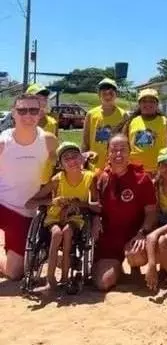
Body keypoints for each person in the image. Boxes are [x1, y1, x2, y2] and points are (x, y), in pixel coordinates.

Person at [26, 142, 99, 291]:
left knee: (66, 232)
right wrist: (51, 201)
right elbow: (30, 203)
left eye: (75, 156)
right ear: (61, 164)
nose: (72, 161)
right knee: (57, 233)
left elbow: (95, 206)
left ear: (82, 159)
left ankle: (65, 278)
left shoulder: (90, 178)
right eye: (66, 158)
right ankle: (50, 279)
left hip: (75, 218)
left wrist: (78, 204)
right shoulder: (57, 179)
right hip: (54, 217)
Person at [0, 93, 58, 280]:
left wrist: (42, 197)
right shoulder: (3, 143)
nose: (28, 115)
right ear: (13, 114)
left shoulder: (49, 141)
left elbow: (59, 172)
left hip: (25, 212)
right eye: (22, 110)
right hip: (2, 204)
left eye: (33, 110)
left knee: (14, 273)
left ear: (40, 113)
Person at [93, 134, 158, 291]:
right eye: (114, 150)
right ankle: (116, 270)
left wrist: (142, 233)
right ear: (108, 153)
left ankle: (134, 268)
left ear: (130, 152)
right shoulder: (101, 178)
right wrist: (95, 217)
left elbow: (151, 212)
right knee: (104, 283)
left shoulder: (142, 179)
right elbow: (95, 206)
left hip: (133, 235)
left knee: (135, 254)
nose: (118, 154)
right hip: (109, 238)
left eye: (123, 150)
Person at [121, 88, 167, 176]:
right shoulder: (130, 122)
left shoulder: (166, 123)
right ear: (139, 104)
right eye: (144, 101)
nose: (148, 104)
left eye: (152, 101)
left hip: (159, 172)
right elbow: (123, 147)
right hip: (135, 173)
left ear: (157, 104)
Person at [82, 78, 126, 170]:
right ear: (99, 95)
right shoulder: (91, 114)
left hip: (115, 166)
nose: (108, 96)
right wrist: (83, 162)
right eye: (104, 93)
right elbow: (85, 142)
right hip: (94, 165)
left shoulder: (124, 115)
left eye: (111, 93)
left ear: (116, 94)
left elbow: (126, 143)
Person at [27, 84, 59, 185]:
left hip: (46, 180)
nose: (42, 103)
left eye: (44, 99)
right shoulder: (19, 122)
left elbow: (55, 151)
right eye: (37, 99)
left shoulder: (53, 123)